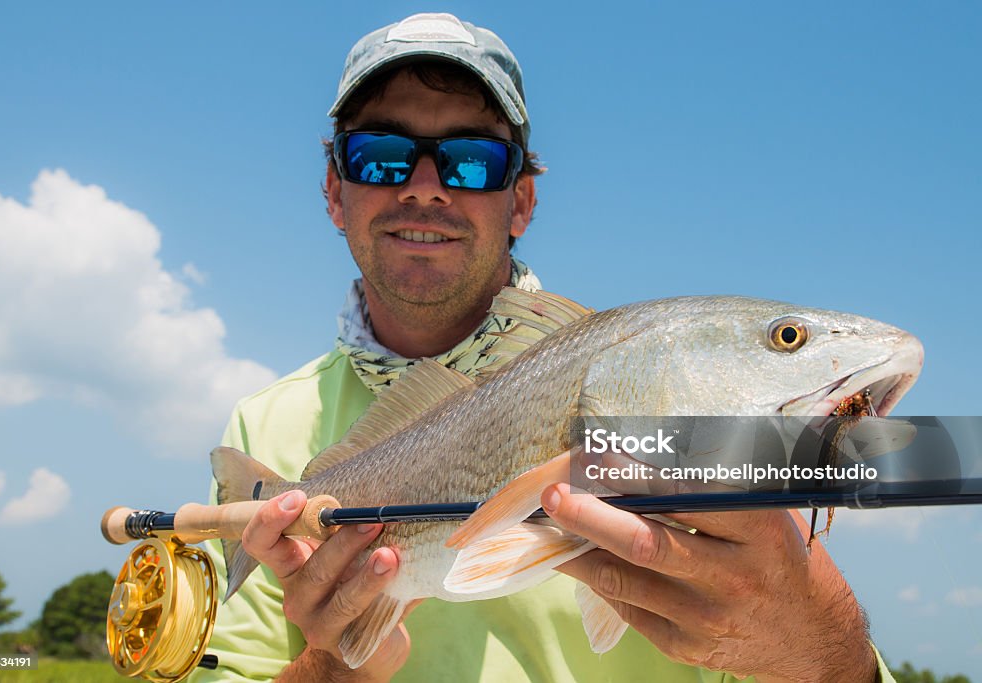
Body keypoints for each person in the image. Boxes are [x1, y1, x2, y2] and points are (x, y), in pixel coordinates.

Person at [191, 13, 894, 683]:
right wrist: (337, 665)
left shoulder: (715, 459)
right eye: (380, 158)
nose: (425, 189)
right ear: (334, 192)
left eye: (471, 161)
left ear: (522, 199)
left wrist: (825, 648)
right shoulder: (264, 426)